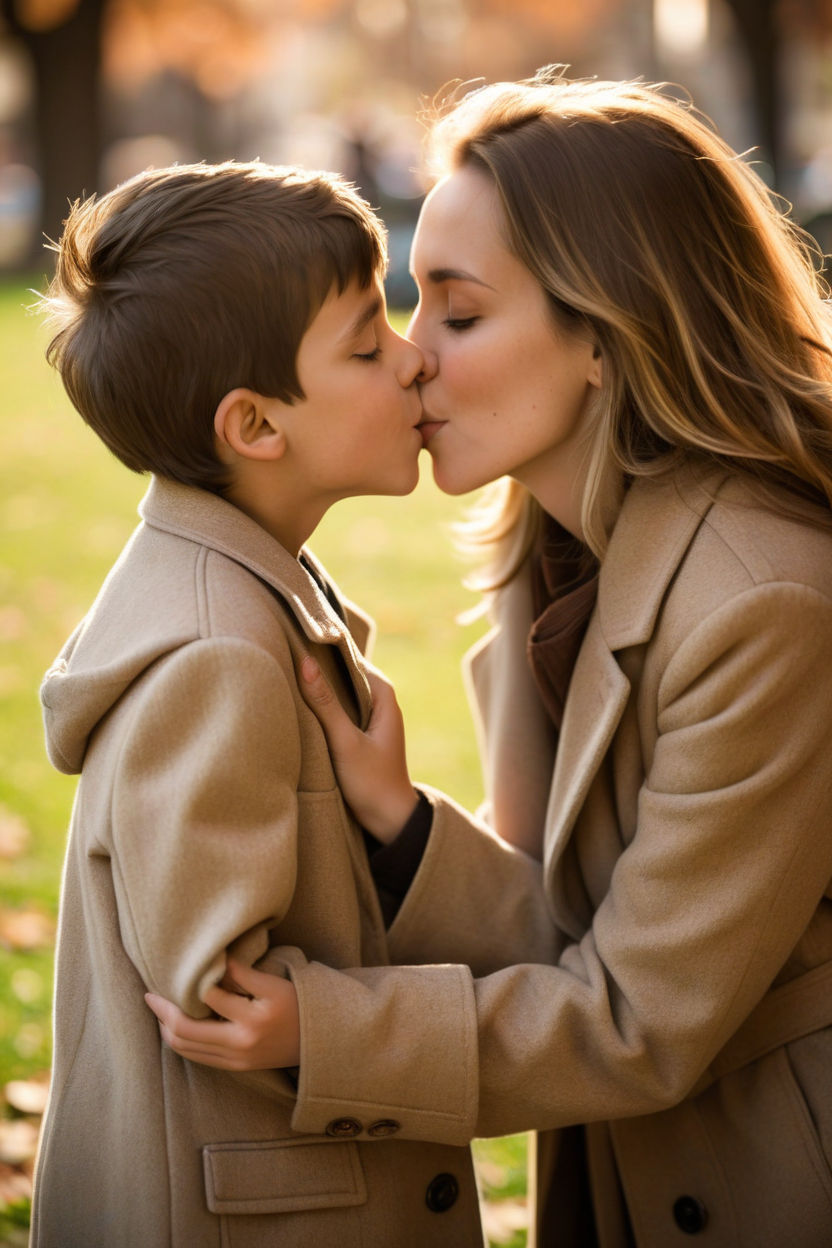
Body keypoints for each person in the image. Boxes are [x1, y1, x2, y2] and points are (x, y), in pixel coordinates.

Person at [145, 74, 832, 1247]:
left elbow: (637, 1018)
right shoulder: (547, 548)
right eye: (410, 312)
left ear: (611, 338)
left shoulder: (766, 602)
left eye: (457, 317)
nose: (410, 361)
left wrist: (330, 1033)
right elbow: (575, 935)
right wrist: (404, 821)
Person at [30, 159, 538, 1248]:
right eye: (367, 344)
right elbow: (217, 1000)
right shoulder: (219, 651)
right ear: (255, 426)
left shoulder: (246, 585)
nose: (413, 360)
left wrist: (396, 815)